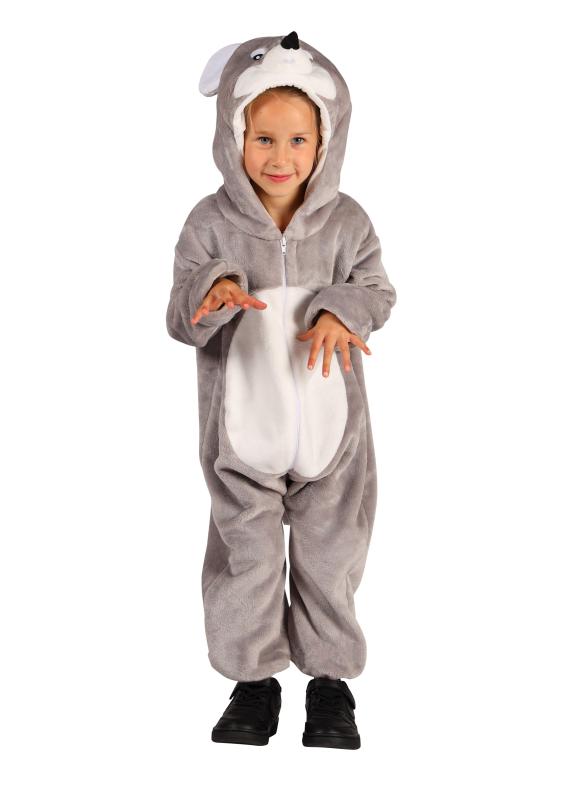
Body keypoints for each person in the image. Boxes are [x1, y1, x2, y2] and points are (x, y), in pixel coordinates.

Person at [166, 31, 397, 749]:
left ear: (326, 139)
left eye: (298, 140)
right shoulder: (209, 222)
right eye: (262, 138)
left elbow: (377, 292)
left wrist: (339, 309)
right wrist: (212, 293)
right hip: (243, 430)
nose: (279, 157)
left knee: (332, 556)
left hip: (333, 432)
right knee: (248, 560)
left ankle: (329, 685)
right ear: (233, 134)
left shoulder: (347, 221)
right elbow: (178, 315)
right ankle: (253, 682)